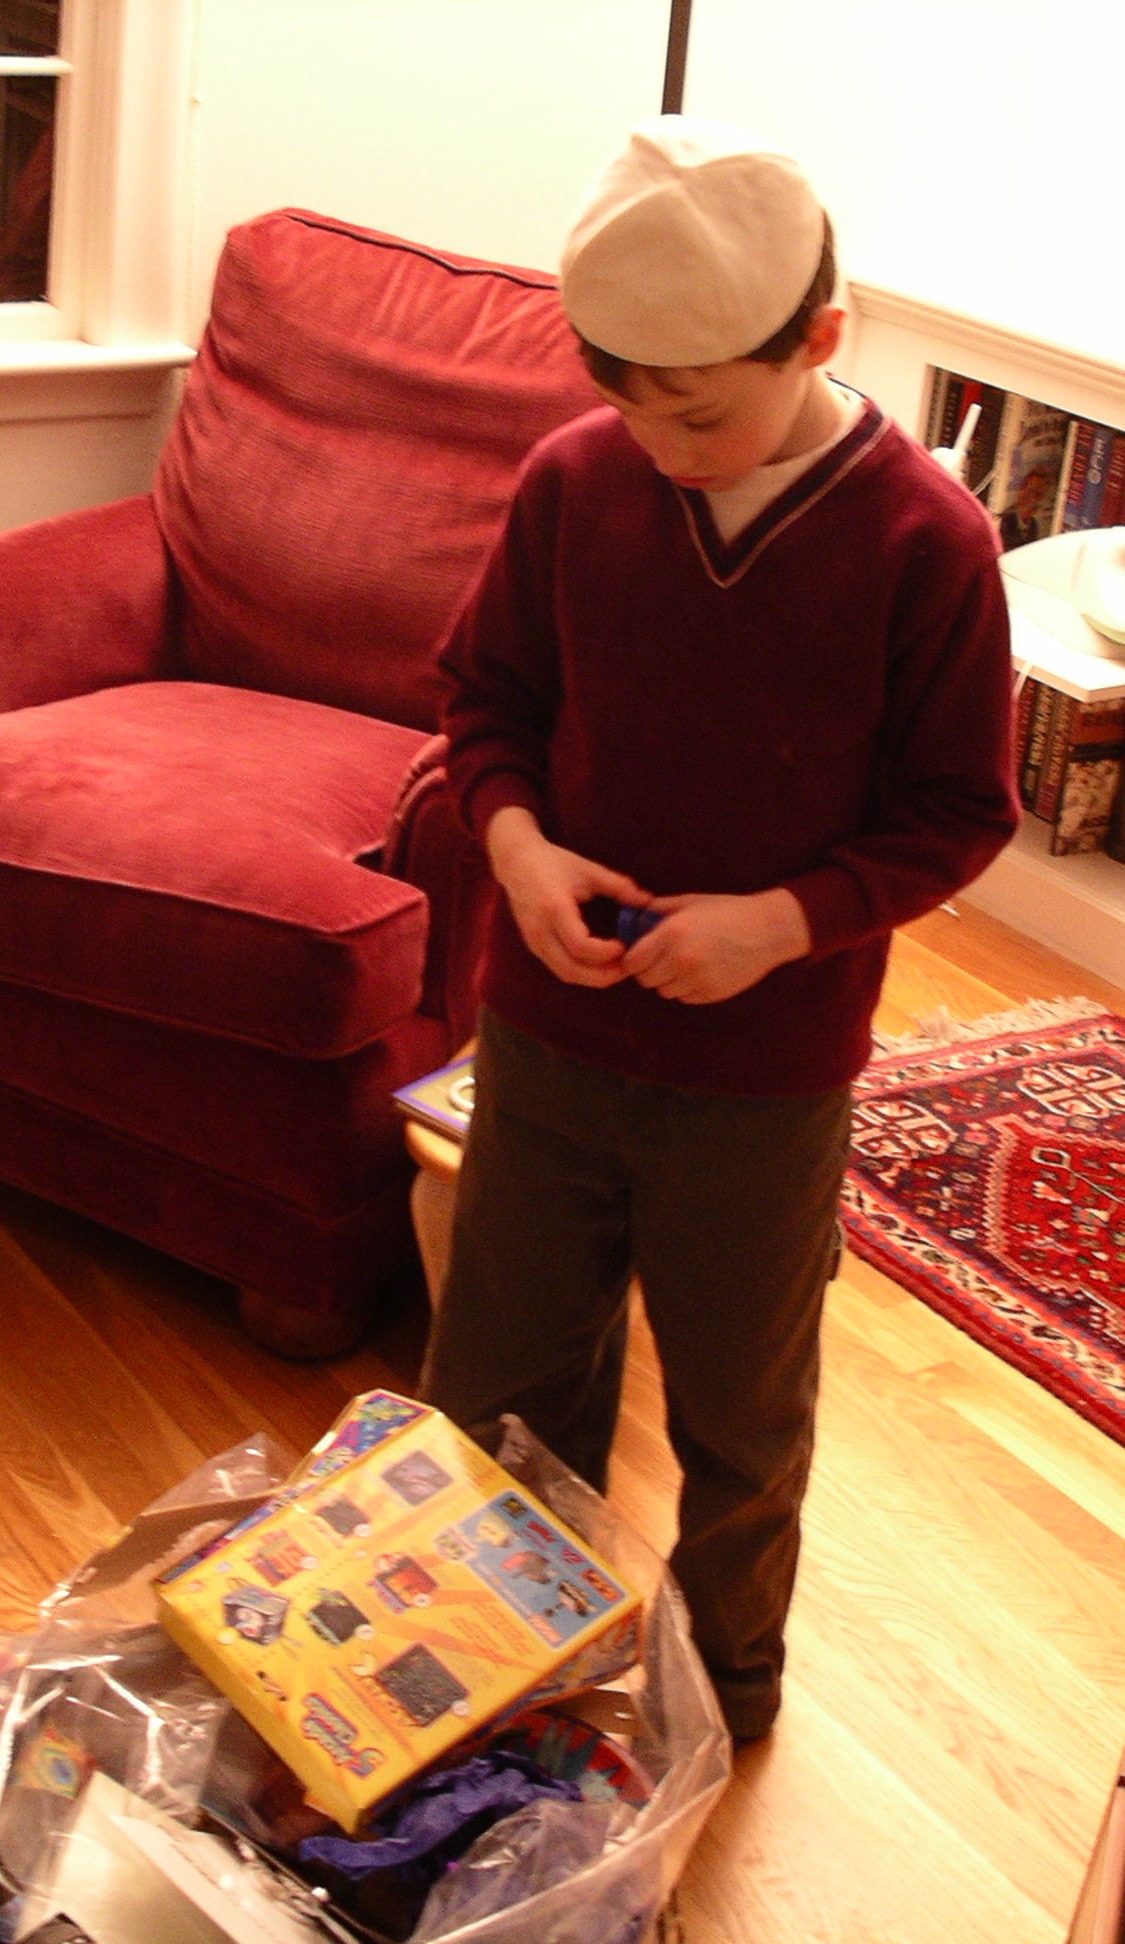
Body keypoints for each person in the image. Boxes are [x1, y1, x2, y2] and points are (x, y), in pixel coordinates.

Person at [422, 118, 1020, 1745]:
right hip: (548, 1034)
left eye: (699, 411)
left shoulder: (927, 543)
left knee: (742, 1418)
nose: (661, 444)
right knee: (494, 1378)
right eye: (628, 404)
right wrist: (516, 846)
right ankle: (484, 1674)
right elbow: (486, 703)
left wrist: (781, 923)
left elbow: (959, 813)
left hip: (763, 1078)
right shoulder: (576, 480)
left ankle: (724, 1695)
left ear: (822, 337)